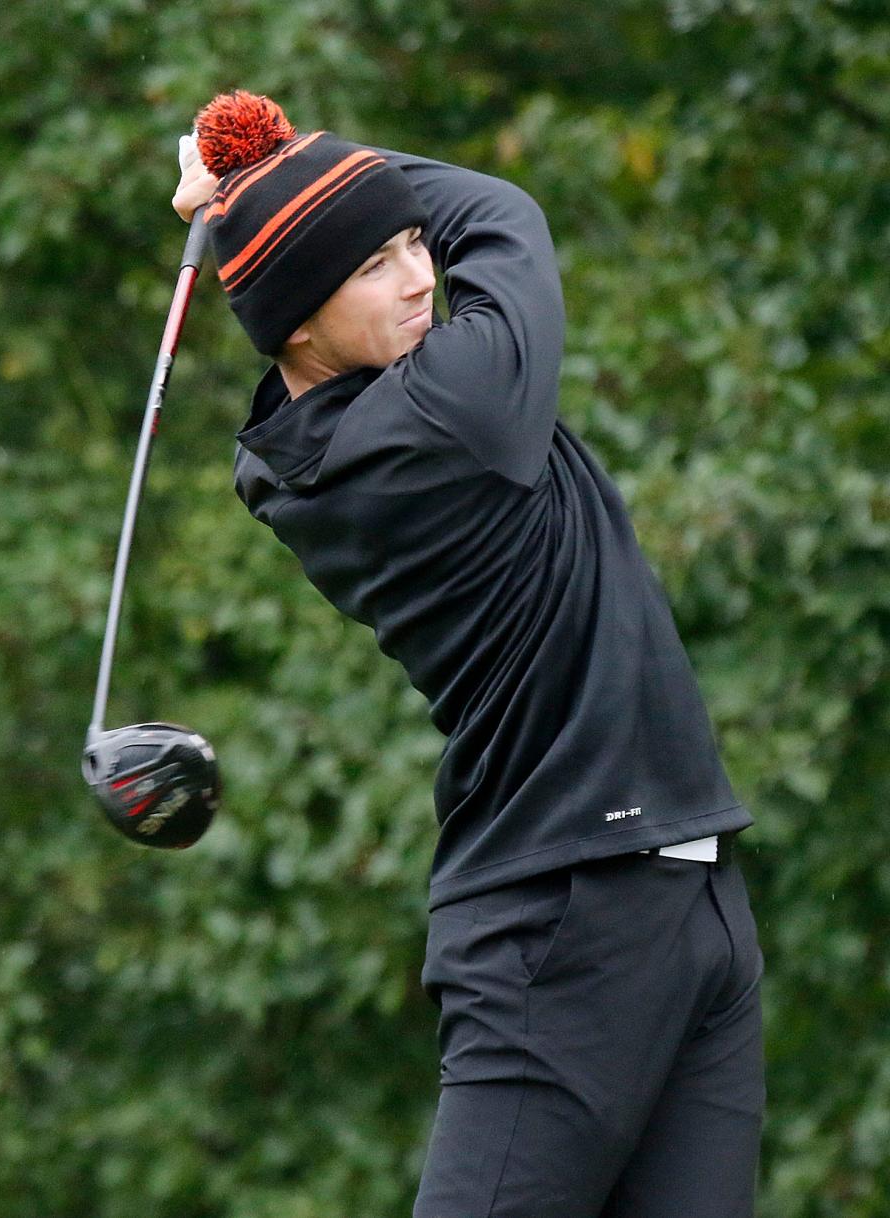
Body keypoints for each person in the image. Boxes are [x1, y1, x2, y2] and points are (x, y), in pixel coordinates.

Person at [173, 90, 765, 1218]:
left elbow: (393, 250)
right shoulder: (446, 415)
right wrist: (275, 168)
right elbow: (502, 212)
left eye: (412, 244)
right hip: (559, 927)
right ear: (298, 320)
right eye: (376, 266)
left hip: (690, 904)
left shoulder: (334, 427)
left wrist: (270, 192)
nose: (421, 276)